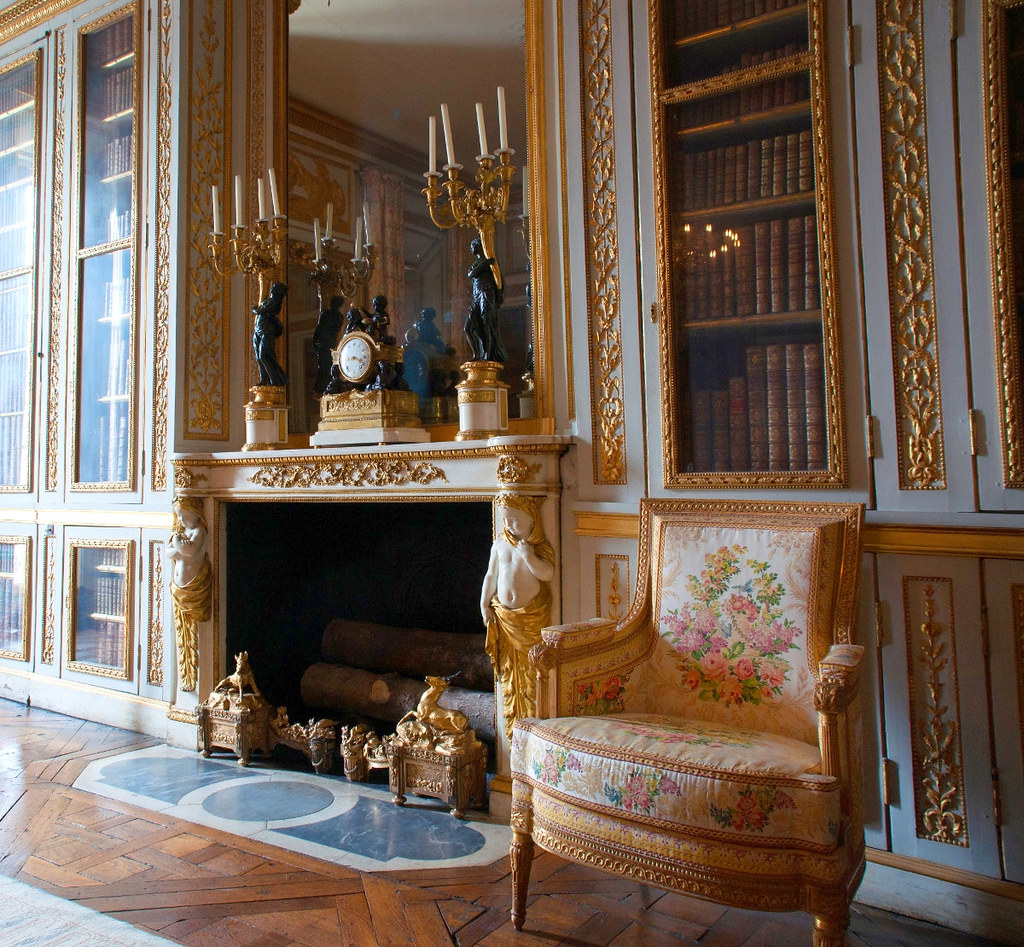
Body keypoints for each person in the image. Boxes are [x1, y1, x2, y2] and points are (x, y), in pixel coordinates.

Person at [481, 493, 555, 738]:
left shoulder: (537, 547)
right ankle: (515, 726)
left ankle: (530, 727)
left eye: (516, 519)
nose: (510, 524)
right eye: (506, 519)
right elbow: (491, 576)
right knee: (509, 672)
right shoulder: (499, 544)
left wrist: (528, 555)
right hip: (504, 618)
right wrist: (484, 603)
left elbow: (547, 574)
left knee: (530, 673)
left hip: (530, 619)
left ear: (533, 518)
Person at [166, 496, 211, 693]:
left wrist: (177, 541)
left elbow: (188, 551)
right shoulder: (184, 532)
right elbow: (170, 552)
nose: (182, 521)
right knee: (184, 629)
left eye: (185, 516)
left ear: (196, 512)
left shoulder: (199, 531)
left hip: (194, 588)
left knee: (190, 632)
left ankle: (192, 678)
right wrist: (178, 545)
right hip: (180, 588)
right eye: (179, 517)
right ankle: (189, 679)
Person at [465, 237, 507, 364]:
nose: (471, 248)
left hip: (487, 292)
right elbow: (471, 274)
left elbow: (498, 277)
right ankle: (477, 353)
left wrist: (499, 292)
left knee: (487, 323)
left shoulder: (491, 262)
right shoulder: (481, 263)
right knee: (468, 327)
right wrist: (486, 262)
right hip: (477, 296)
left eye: (473, 246)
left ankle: (488, 354)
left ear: (478, 246)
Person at [252, 280, 288, 387]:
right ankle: (264, 378)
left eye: (275, 287)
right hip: (260, 330)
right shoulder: (270, 300)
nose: (272, 288)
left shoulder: (274, 301)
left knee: (265, 356)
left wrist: (255, 309)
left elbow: (260, 311)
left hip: (266, 332)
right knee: (259, 357)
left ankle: (276, 380)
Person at [312, 295, 345, 396]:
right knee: (324, 365)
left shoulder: (333, 315)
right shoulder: (335, 315)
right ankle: (321, 388)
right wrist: (316, 341)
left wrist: (317, 340)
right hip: (326, 342)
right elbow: (319, 328)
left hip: (328, 342)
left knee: (327, 365)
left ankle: (324, 387)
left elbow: (320, 328)